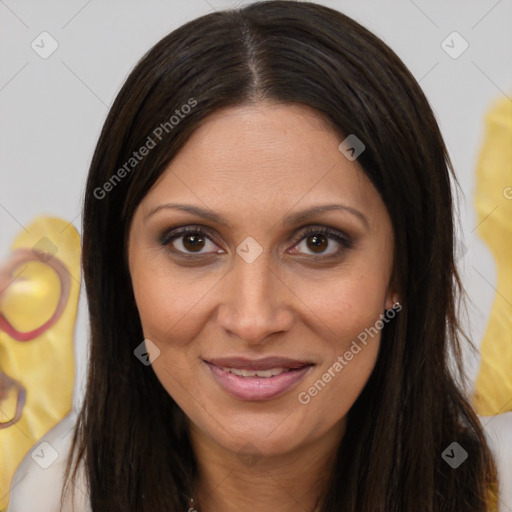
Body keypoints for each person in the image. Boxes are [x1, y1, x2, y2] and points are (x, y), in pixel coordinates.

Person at [6, 1, 500, 510]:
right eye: (192, 241)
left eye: (317, 242)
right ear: (121, 270)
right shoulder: (48, 495)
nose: (253, 319)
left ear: (403, 268)